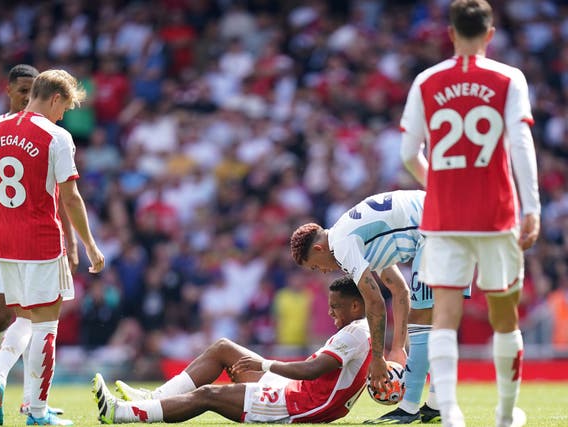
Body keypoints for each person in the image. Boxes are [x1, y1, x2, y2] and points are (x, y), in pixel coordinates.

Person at [399, 1, 541, 426]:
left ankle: (451, 413)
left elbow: (408, 153)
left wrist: (438, 184)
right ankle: (503, 413)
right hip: (495, 214)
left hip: (444, 219)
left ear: (451, 32)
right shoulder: (508, 78)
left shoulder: (427, 80)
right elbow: (520, 144)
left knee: (444, 314)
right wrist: (531, 207)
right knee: (504, 313)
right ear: (490, 33)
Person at [0, 69, 105, 426]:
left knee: (25, 320)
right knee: (46, 327)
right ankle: (37, 413)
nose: (64, 116)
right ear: (55, 98)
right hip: (42, 242)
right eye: (65, 108)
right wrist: (90, 245)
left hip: (4, 244)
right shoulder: (56, 137)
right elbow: (72, 197)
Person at [92, 276, 371, 424]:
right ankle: (153, 397)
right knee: (223, 348)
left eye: (335, 307)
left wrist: (263, 365)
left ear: (356, 306)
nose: (330, 311)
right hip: (294, 388)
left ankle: (121, 413)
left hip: (299, 405)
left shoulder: (355, 332)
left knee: (208, 395)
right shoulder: (363, 330)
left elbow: (311, 371)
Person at [291, 189, 460, 424]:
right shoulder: (359, 237)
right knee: (437, 322)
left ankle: (409, 409)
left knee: (422, 321)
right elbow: (399, 290)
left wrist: (378, 359)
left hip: (436, 229)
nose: (322, 271)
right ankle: (437, 403)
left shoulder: (341, 245)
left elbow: (374, 301)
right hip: (450, 221)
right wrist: (398, 348)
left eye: (315, 267)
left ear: (318, 249)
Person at [0, 64, 71, 419]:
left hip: (18, 239)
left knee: (27, 317)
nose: (27, 96)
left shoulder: (48, 131)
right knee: (4, 315)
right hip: (6, 240)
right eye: (22, 89)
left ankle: (24, 397)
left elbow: (55, 194)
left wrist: (68, 240)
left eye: (32, 89)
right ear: (9, 89)